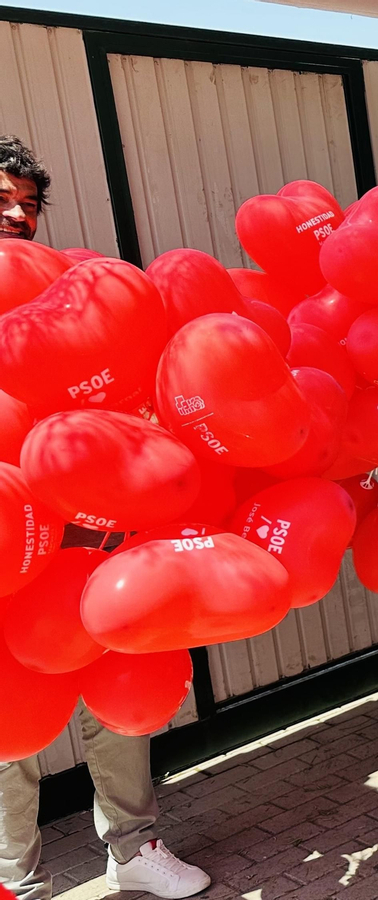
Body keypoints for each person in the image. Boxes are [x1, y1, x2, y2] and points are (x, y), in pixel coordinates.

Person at [0, 135, 210, 900]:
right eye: (1, 198)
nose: (16, 214)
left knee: (120, 695)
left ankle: (133, 847)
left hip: (90, 545)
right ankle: (13, 882)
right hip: (4, 558)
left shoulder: (72, 286)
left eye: (27, 202)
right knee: (9, 730)